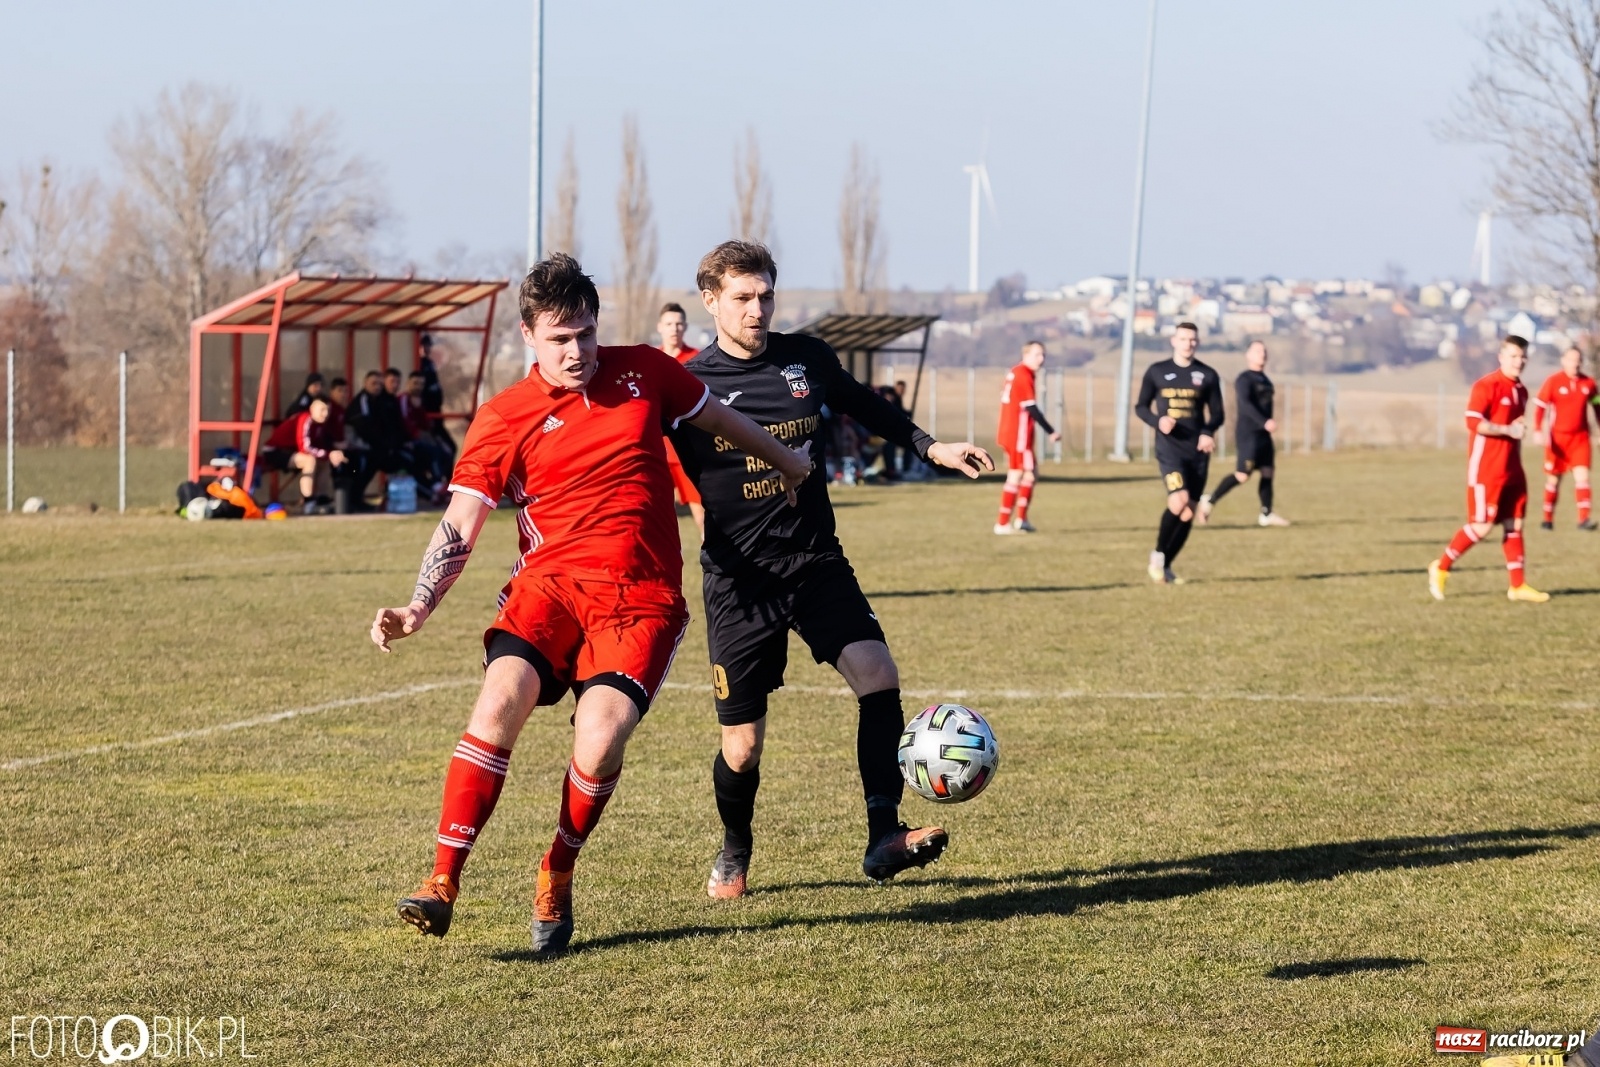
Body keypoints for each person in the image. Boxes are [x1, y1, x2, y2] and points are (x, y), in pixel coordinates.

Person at [378, 253, 810, 954]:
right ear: (528, 335)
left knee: (601, 737)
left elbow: (723, 421)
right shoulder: (504, 416)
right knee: (497, 703)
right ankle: (441, 881)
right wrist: (419, 605)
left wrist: (789, 463)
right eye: (559, 339)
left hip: (640, 599)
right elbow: (460, 521)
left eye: (584, 333)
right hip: (547, 588)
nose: (576, 351)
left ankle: (558, 866)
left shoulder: (646, 371)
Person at [668, 240, 995, 899]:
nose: (757, 309)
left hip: (816, 561)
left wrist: (931, 446)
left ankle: (883, 833)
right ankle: (736, 847)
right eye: (742, 298)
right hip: (740, 582)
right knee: (742, 748)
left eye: (765, 296)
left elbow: (864, 404)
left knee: (878, 674)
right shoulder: (689, 385)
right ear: (711, 301)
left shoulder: (807, 359)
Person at [1429, 335, 1550, 602]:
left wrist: (1516, 448)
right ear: (1501, 356)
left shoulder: (1521, 391)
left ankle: (1517, 586)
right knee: (1481, 527)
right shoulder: (1487, 385)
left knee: (1514, 524)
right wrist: (1507, 430)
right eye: (1513, 356)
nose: (1518, 362)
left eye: (1522, 357)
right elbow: (1474, 423)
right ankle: (1441, 567)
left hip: (1512, 468)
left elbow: (1516, 430)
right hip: (1487, 469)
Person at [1134, 322, 1224, 584]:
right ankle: (1158, 556)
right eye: (1183, 339)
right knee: (1178, 500)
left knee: (1188, 512)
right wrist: (1157, 421)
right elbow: (1140, 406)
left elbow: (1218, 413)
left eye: (1193, 340)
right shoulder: (1157, 371)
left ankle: (1167, 566)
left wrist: (1208, 431)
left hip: (1197, 451)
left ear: (1197, 343)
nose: (1188, 344)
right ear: (1174, 341)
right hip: (1169, 450)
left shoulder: (1207, 374)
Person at [1197, 339, 1290, 527]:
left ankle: (1266, 513)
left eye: (1264, 351)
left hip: (1264, 435)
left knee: (1268, 471)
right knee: (1242, 475)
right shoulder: (1244, 379)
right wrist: (1264, 422)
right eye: (1257, 351)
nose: (1262, 354)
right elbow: (1246, 405)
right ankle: (1210, 500)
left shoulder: (1266, 380)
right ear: (1248, 355)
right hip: (1249, 434)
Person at [994, 341, 1062, 534]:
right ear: (1026, 355)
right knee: (1016, 474)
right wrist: (1051, 431)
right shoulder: (1023, 374)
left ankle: (1021, 520)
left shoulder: (1016, 372)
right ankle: (1002, 522)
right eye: (1037, 354)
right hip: (1018, 434)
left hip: (1012, 431)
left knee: (1031, 474)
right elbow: (1031, 408)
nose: (1041, 359)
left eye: (1043, 355)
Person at [1533, 344, 1598, 530]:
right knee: (1553, 480)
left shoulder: (1589, 383)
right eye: (1571, 360)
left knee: (1582, 477)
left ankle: (1584, 520)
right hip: (1558, 440)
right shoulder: (1553, 381)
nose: (1574, 364)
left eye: (1578, 360)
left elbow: (1597, 405)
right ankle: (1547, 519)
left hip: (1581, 438)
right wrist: (1538, 430)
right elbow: (1540, 406)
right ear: (1563, 361)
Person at [655, 302, 705, 538]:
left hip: (687, 449)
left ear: (685, 327)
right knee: (655, 515)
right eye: (669, 324)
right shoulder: (651, 361)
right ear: (660, 328)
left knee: (702, 512)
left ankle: (718, 561)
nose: (674, 328)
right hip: (657, 451)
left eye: (678, 324)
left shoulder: (697, 360)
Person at [260, 397, 348, 512]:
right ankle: (308, 502)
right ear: (312, 409)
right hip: (274, 451)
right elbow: (305, 448)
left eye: (327, 410)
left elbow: (318, 446)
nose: (325, 414)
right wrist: (329, 454)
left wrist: (332, 453)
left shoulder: (320, 424)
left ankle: (322, 498)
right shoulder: (305, 419)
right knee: (309, 460)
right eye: (322, 410)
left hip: (292, 452)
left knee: (324, 461)